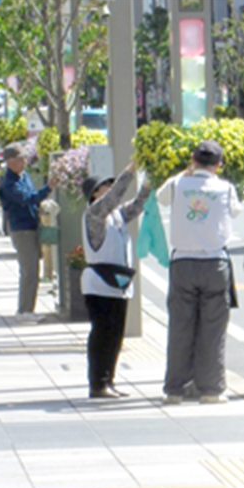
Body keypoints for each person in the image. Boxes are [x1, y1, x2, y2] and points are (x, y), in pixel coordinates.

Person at [156, 140, 242, 405]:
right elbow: (236, 212)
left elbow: (160, 196)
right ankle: (210, 389)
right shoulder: (226, 188)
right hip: (215, 262)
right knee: (213, 328)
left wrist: (184, 172)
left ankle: (175, 389)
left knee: (180, 326)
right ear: (219, 164)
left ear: (193, 161)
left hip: (182, 262)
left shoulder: (177, 184)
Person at [80, 162, 152, 399]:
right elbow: (114, 198)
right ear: (95, 194)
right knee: (102, 333)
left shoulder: (117, 216)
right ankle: (98, 383)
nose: (110, 189)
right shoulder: (94, 213)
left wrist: (149, 179)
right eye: (105, 187)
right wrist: (129, 171)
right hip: (99, 284)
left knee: (115, 335)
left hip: (117, 283)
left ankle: (108, 379)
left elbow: (139, 204)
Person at [0, 142, 52, 323]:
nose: (24, 162)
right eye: (20, 159)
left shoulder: (24, 176)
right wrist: (48, 188)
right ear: (10, 162)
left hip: (31, 226)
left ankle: (28, 308)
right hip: (22, 230)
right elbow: (28, 198)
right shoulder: (9, 184)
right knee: (29, 271)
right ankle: (24, 310)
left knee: (33, 269)